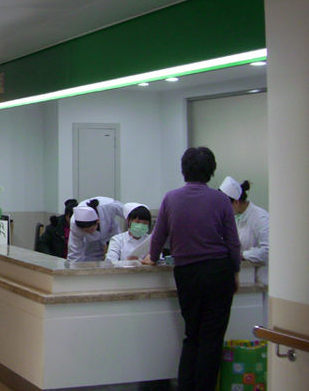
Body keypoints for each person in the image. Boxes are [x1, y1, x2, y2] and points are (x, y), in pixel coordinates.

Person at [142, 147, 240, 391]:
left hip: (186, 273)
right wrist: (235, 271)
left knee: (192, 335)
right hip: (218, 271)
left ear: (183, 170)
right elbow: (232, 241)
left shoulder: (171, 198)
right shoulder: (221, 200)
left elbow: (158, 235)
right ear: (211, 171)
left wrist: (152, 257)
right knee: (212, 338)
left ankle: (186, 386)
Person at [219, 176, 269, 285]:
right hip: (245, 277)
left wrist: (243, 255)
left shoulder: (261, 218)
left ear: (236, 202)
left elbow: (268, 251)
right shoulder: (236, 217)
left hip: (262, 281)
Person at [67, 197, 123, 261]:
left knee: (116, 255)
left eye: (90, 230)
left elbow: (128, 213)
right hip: (90, 246)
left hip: (111, 232)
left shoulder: (109, 205)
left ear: (97, 221)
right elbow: (75, 251)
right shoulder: (74, 224)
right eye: (86, 231)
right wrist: (73, 265)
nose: (89, 232)